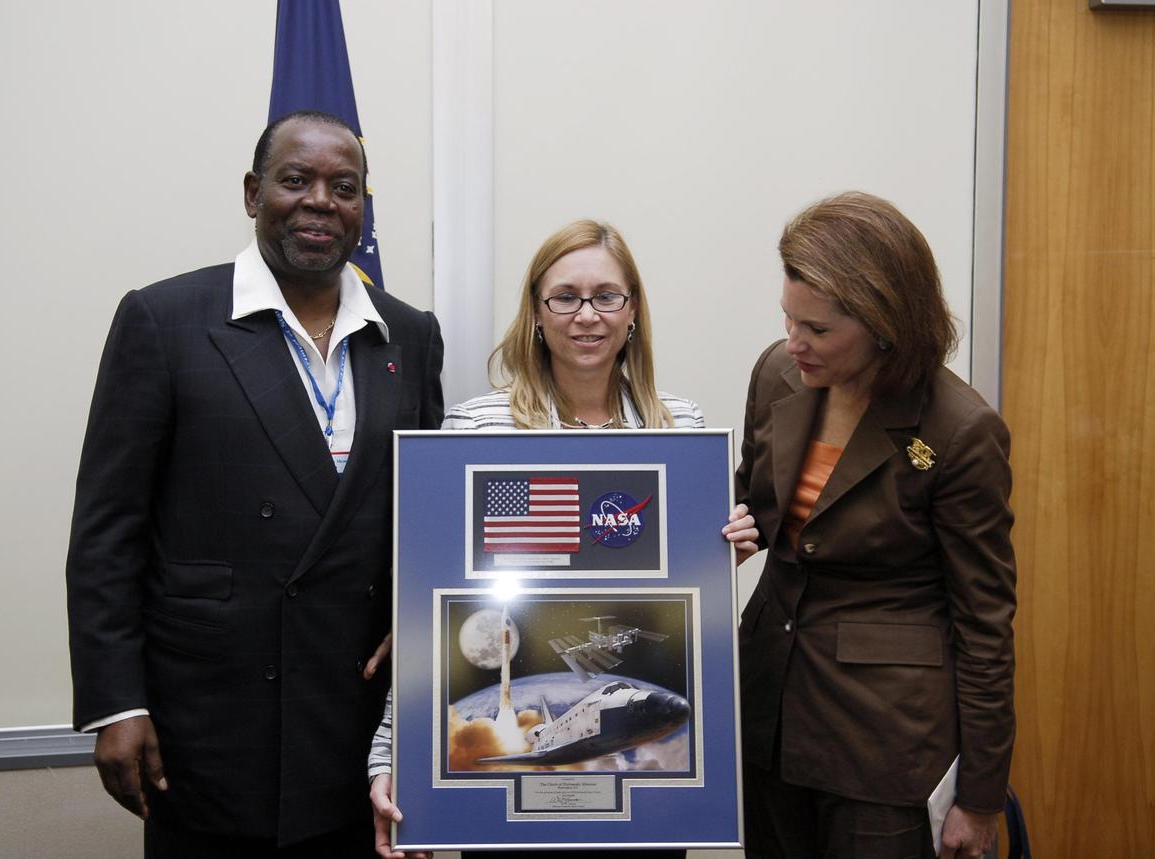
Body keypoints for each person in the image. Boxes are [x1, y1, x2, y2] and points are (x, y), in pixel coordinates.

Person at [66, 109, 444, 857]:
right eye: (295, 180)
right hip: (209, 720)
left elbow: (421, 517)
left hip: (356, 723)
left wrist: (424, 613)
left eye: (345, 186)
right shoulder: (165, 319)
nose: (320, 202)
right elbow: (108, 531)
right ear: (252, 193)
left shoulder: (410, 334)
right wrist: (116, 701)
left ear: (364, 205)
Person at [366, 219, 759, 859]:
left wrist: (719, 550)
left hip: (643, 812)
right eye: (565, 297)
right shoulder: (476, 427)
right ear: (536, 313)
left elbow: (690, 610)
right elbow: (427, 612)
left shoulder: (680, 429)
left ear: (633, 311)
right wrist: (393, 758)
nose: (587, 316)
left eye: (607, 296)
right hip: (508, 816)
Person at [735, 192, 1015, 859]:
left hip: (884, 742)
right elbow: (752, 503)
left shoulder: (960, 429)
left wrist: (979, 795)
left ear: (885, 323)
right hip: (768, 709)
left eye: (819, 330)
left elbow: (984, 623)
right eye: (788, 318)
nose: (794, 342)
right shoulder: (779, 373)